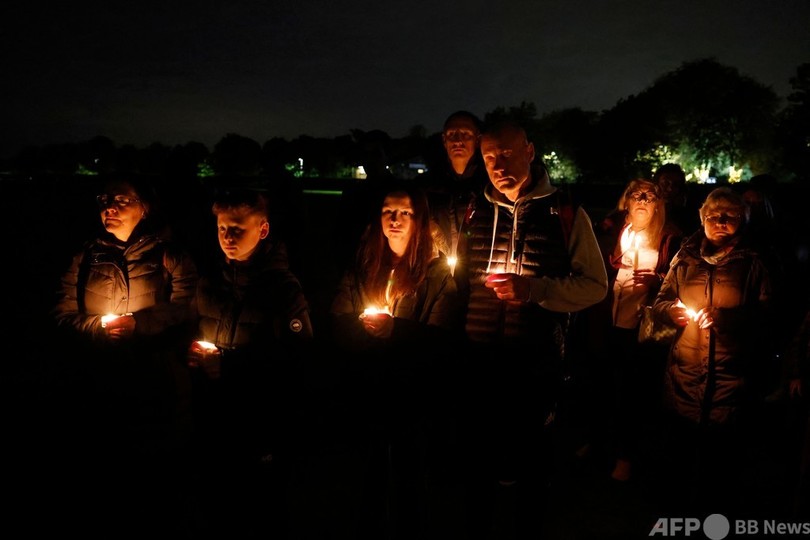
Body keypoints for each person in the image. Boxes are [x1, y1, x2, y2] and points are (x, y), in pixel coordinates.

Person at [457, 119, 608, 539]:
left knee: (532, 468)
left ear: (530, 151)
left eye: (506, 153)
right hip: (480, 361)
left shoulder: (565, 213)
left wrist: (535, 289)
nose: (498, 164)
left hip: (535, 365)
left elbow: (595, 286)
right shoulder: (473, 212)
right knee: (479, 468)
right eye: (489, 157)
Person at [51, 173, 199, 535]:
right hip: (102, 382)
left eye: (121, 200)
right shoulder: (85, 255)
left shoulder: (170, 255)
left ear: (144, 208)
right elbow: (62, 314)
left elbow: (190, 307)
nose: (110, 207)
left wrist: (140, 325)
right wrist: (98, 330)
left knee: (159, 473)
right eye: (104, 199)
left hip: (159, 383)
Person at [329, 181, 462, 540]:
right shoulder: (364, 264)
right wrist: (365, 333)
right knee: (365, 478)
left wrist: (396, 332)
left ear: (419, 219)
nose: (396, 219)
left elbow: (442, 337)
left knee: (409, 479)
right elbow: (339, 314)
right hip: (367, 388)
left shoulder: (435, 274)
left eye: (405, 212)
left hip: (411, 395)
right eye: (389, 211)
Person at [186, 187, 315, 539]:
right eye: (222, 228)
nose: (227, 237)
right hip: (214, 420)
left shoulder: (284, 289)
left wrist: (228, 368)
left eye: (237, 229)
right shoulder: (209, 283)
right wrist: (194, 355)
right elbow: (194, 332)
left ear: (263, 230)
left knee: (263, 511)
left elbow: (297, 359)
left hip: (262, 422)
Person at [649, 186, 775, 516]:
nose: (719, 221)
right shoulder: (685, 256)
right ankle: (675, 515)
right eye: (712, 215)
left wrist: (727, 319)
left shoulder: (755, 261)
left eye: (729, 215)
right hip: (685, 376)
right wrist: (670, 312)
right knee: (680, 455)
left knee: (720, 465)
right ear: (702, 218)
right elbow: (660, 301)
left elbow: (771, 314)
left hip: (731, 380)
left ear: (743, 219)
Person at [573, 178, 682, 482]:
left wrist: (656, 281)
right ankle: (596, 442)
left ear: (658, 204)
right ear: (627, 201)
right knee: (600, 385)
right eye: (636, 195)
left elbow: (680, 282)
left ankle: (625, 455)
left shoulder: (668, 239)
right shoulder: (615, 232)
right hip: (607, 322)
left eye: (649, 196)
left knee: (632, 393)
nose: (642, 200)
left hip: (640, 328)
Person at [417, 110, 490, 290]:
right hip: (436, 282)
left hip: (480, 282)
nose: (458, 140)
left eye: (465, 134)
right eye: (452, 135)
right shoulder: (427, 186)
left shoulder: (491, 185)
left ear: (478, 139)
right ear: (444, 140)